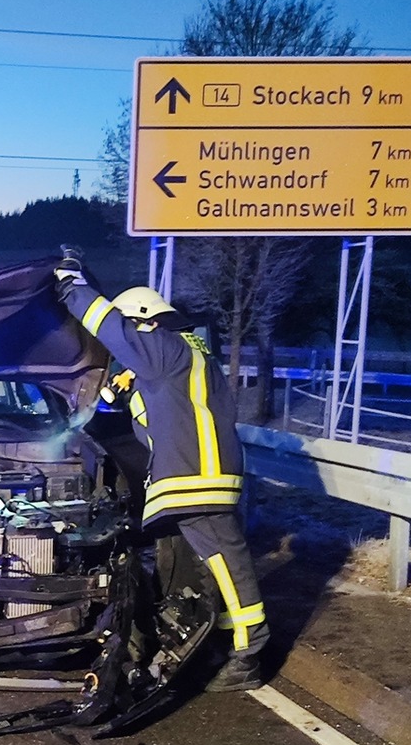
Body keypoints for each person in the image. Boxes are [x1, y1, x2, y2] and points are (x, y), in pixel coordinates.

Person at [54, 262, 268, 691]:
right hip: (195, 476)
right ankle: (217, 640)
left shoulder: (167, 350)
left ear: (148, 322)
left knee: (229, 563)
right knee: (215, 566)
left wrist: (71, 288)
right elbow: (156, 417)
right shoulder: (181, 356)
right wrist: (121, 392)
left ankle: (250, 656)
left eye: (135, 331)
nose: (127, 347)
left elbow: (111, 328)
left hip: (198, 478)